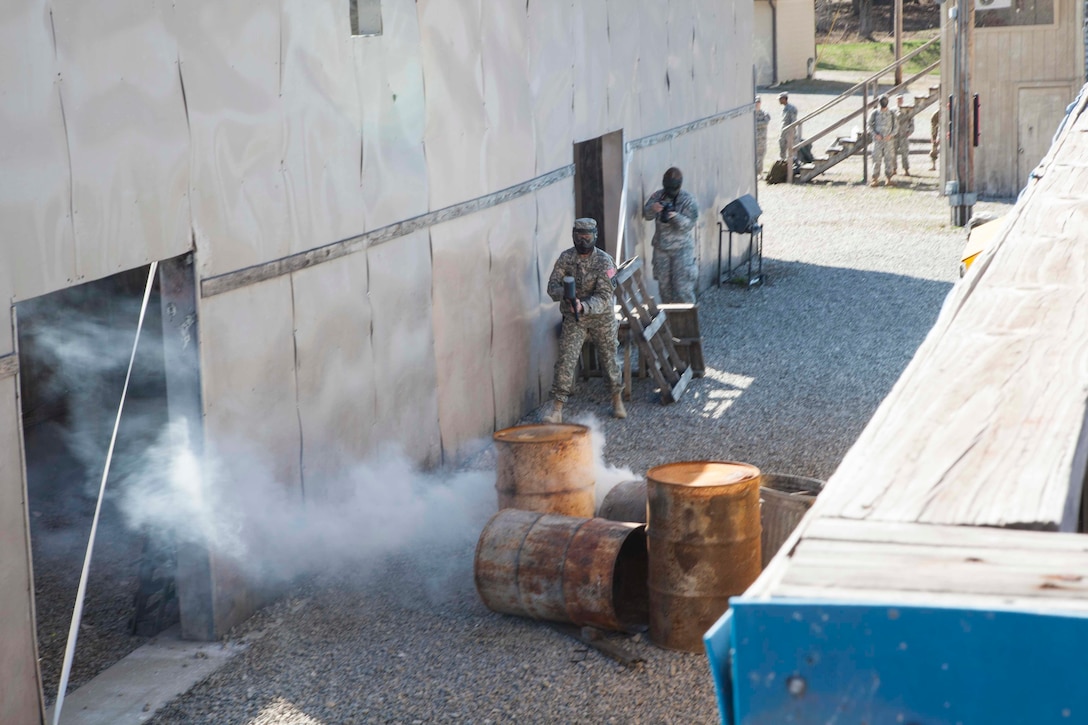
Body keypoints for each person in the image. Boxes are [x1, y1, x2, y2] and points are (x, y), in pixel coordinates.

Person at [541, 218, 626, 424]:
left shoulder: (605, 261)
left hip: (601, 318)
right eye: (579, 235)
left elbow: (605, 296)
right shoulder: (566, 258)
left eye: (587, 236)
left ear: (595, 236)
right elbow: (552, 287)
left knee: (609, 359)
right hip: (574, 318)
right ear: (573, 235)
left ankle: (616, 399)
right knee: (566, 359)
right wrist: (567, 295)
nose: (583, 240)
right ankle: (557, 408)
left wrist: (584, 305)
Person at [642, 167, 699, 304]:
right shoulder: (658, 196)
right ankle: (670, 322)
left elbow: (689, 225)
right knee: (664, 288)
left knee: (683, 289)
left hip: (682, 250)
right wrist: (653, 208)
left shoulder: (688, 200)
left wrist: (675, 216)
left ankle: (688, 323)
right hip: (661, 249)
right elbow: (646, 215)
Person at [868, 95, 897, 187]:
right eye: (882, 100)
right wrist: (875, 135)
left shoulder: (892, 113)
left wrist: (891, 135)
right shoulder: (875, 113)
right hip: (878, 141)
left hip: (888, 141)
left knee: (889, 159)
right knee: (876, 159)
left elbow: (896, 127)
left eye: (885, 100)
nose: (884, 102)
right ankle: (875, 179)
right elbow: (869, 125)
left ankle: (888, 179)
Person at [894, 95, 915, 177]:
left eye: (901, 99)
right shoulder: (892, 110)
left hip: (904, 135)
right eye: (898, 99)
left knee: (905, 153)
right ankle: (893, 169)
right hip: (895, 135)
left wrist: (910, 131)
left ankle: (906, 169)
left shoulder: (907, 110)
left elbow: (911, 122)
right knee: (893, 153)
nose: (899, 101)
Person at [778, 91, 801, 160]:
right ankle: (783, 161)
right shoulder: (785, 108)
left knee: (791, 147)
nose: (779, 101)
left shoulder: (791, 108)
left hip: (789, 132)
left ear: (784, 99)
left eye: (780, 99)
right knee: (782, 145)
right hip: (784, 131)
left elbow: (793, 121)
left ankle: (792, 162)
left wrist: (791, 132)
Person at [755, 96, 771, 176]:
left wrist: (755, 124)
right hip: (752, 140)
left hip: (761, 140)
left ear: (760, 103)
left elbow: (765, 123)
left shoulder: (765, 114)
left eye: (758, 102)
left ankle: (759, 173)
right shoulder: (751, 114)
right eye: (755, 102)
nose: (756, 104)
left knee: (760, 157)